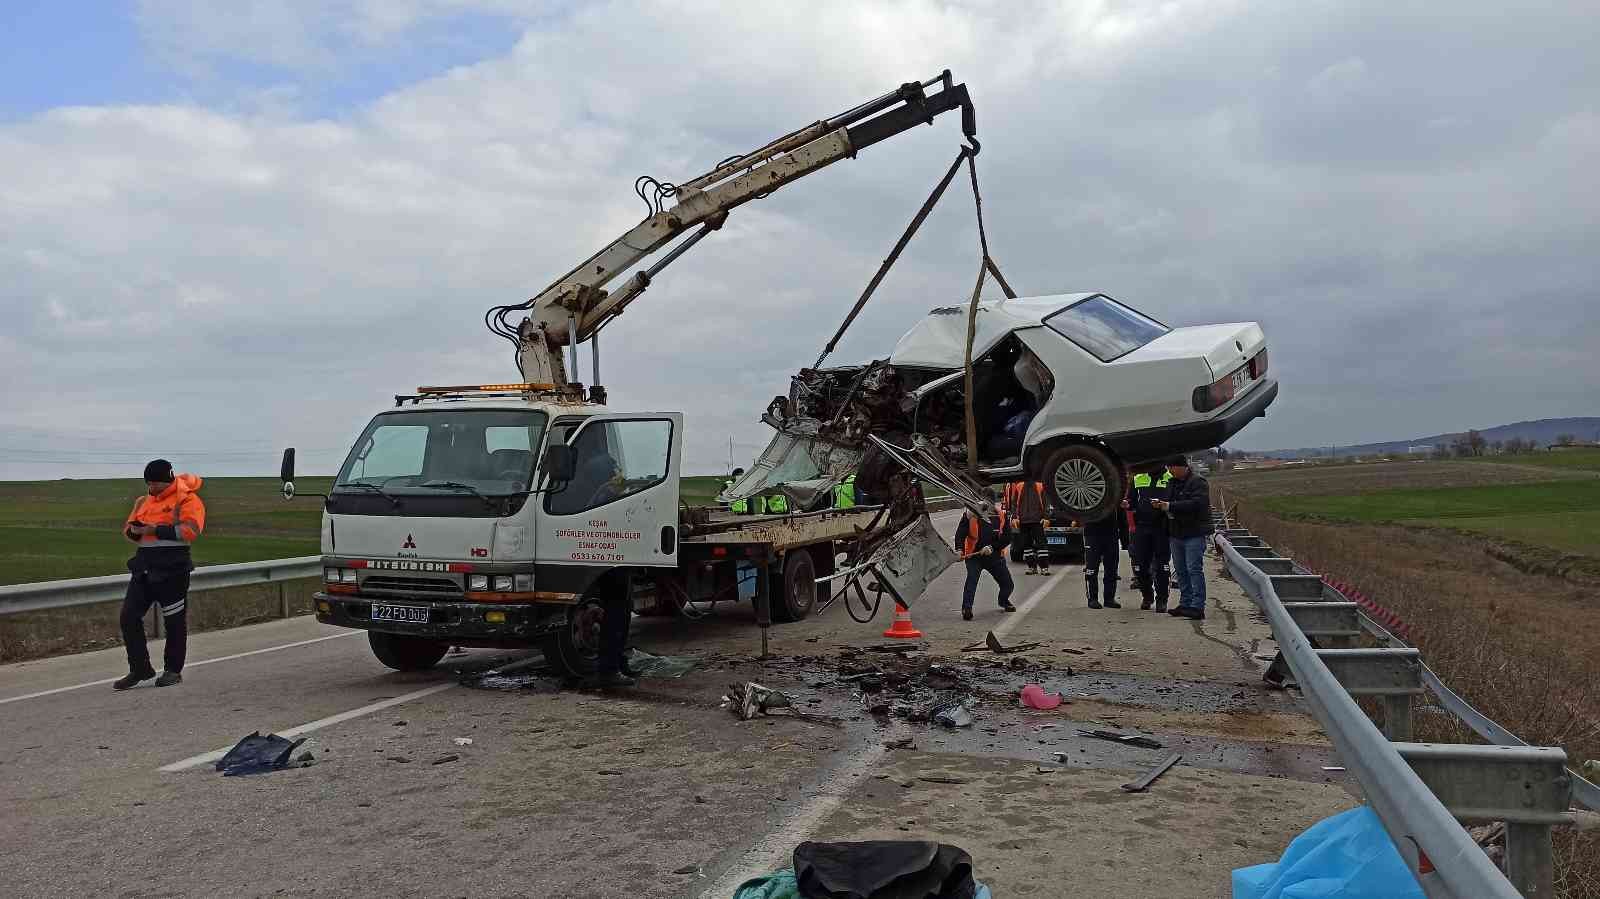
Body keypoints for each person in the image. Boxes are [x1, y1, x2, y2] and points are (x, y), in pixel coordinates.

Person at [115, 460, 205, 690]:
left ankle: (173, 671)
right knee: (128, 617)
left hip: (173, 569)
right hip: (144, 567)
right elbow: (128, 530)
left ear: (167, 480)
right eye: (148, 482)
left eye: (155, 483)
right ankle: (140, 668)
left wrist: (155, 530)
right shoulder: (142, 501)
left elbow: (191, 530)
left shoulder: (187, 499)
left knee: (174, 623)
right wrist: (134, 531)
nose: (151, 487)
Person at [1151, 454, 1212, 620]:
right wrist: (1161, 505)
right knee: (1181, 571)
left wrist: (1170, 506)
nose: (1170, 471)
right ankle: (1185, 603)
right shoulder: (1172, 483)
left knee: (1194, 570)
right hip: (1176, 533)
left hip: (1194, 533)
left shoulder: (1198, 482)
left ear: (1182, 466)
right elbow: (1168, 501)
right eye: (1168, 468)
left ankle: (1198, 606)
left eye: (1172, 468)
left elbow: (1197, 504)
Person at [954, 502, 1016, 621]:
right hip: (974, 557)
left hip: (995, 557)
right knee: (971, 581)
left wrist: (992, 547)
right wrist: (959, 550)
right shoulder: (970, 515)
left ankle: (1003, 601)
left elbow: (1007, 538)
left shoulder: (1001, 516)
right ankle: (967, 609)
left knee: (1008, 585)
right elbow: (960, 534)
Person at [1126, 464, 1173, 611]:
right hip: (1142, 528)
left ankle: (1162, 600)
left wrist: (1164, 506)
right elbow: (1131, 502)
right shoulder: (1138, 478)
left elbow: (1177, 502)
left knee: (1162, 567)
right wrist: (1126, 504)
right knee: (1139, 566)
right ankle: (1147, 595)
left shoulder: (1170, 478)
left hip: (1162, 528)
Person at [1081, 499, 1128, 610]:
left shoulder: (1115, 493)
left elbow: (1122, 518)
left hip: (1111, 535)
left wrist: (1125, 541)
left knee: (1111, 569)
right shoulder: (1089, 492)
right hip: (1092, 534)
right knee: (1091, 568)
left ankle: (1109, 598)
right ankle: (1092, 598)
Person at [1004, 479, 1052, 575]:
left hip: (1038, 521)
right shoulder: (1019, 486)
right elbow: (1014, 504)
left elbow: (1046, 503)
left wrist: (1046, 517)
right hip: (1023, 521)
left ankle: (1044, 568)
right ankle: (1031, 567)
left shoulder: (1040, 485)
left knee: (1041, 545)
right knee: (1026, 546)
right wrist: (1014, 517)